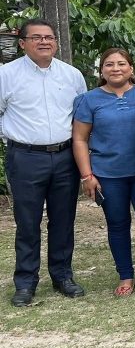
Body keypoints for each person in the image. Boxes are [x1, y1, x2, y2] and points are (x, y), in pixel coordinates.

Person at [1, 19, 88, 306]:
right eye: (36, 37)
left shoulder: (72, 75)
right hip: (25, 157)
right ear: (22, 43)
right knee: (27, 222)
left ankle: (62, 276)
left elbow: (82, 117)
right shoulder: (6, 75)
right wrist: (12, 139)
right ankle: (26, 282)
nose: (43, 42)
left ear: (56, 43)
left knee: (63, 219)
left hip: (65, 157)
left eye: (49, 37)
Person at [72, 48, 135, 297]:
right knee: (117, 224)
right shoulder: (88, 100)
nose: (116, 68)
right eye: (109, 64)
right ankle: (125, 274)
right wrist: (87, 176)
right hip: (108, 174)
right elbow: (80, 139)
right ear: (101, 71)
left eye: (121, 63)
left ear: (131, 68)